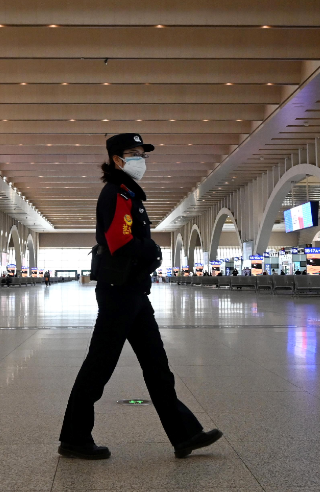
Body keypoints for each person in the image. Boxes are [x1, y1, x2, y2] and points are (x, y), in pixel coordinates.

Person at [59, 133, 221, 460]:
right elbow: (120, 241)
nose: (140, 160)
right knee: (99, 365)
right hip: (120, 292)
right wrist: (152, 249)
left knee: (157, 365)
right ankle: (74, 437)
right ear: (117, 159)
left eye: (142, 154)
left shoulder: (129, 192)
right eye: (133, 154)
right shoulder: (118, 193)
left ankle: (184, 434)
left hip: (132, 291)